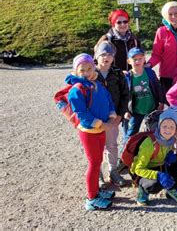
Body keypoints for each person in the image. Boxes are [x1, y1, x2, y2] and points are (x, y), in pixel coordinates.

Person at [66, 53, 117, 211]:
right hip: (89, 131)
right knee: (94, 163)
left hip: (100, 130)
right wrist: (100, 123)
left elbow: (107, 98)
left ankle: (96, 190)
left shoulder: (95, 84)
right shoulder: (77, 90)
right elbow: (81, 113)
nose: (87, 72)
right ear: (76, 72)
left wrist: (111, 114)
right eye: (82, 70)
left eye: (89, 68)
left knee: (97, 161)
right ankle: (91, 198)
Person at [130, 109, 177, 206]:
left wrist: (170, 154)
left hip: (160, 165)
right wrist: (158, 175)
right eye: (164, 126)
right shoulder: (149, 143)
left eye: (172, 127)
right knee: (155, 184)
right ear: (159, 126)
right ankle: (143, 190)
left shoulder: (171, 139)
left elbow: (168, 152)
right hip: (144, 171)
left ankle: (171, 188)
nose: (168, 130)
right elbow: (138, 169)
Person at [94, 41, 129, 187]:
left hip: (113, 117)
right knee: (96, 147)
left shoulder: (117, 73)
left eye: (109, 54)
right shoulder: (91, 73)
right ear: (96, 56)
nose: (106, 57)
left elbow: (125, 94)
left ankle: (113, 171)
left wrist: (121, 114)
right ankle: (98, 174)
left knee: (112, 145)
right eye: (103, 54)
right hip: (95, 117)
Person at [123, 48, 165, 145]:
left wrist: (161, 102)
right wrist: (125, 110)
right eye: (134, 59)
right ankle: (125, 156)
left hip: (151, 108)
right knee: (131, 134)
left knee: (154, 131)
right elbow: (124, 96)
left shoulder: (149, 72)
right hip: (136, 111)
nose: (137, 61)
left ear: (144, 59)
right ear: (129, 61)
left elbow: (157, 87)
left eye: (140, 58)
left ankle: (154, 153)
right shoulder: (127, 77)